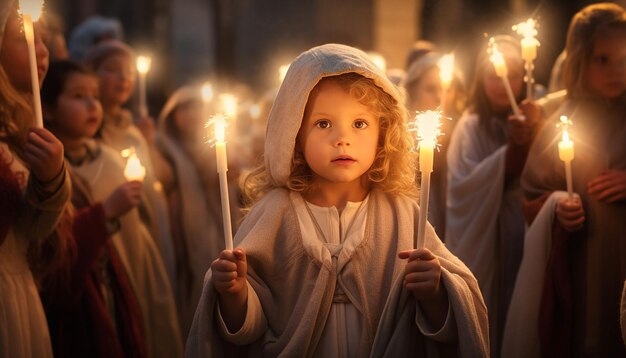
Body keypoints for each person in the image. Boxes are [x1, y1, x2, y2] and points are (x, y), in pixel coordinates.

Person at [186, 43, 488, 357]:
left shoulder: (401, 215)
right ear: (294, 134)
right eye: (323, 124)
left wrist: (436, 292)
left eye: (360, 124)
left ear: (382, 133)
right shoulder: (274, 215)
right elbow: (249, 329)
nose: (342, 139)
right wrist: (235, 294)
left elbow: (452, 316)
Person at [509, 3, 626, 357]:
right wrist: (557, 207)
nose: (616, 70)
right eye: (602, 60)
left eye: (623, 58)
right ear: (578, 60)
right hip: (583, 260)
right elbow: (532, 191)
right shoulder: (563, 120)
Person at [40, 60, 150, 357]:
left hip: (112, 289)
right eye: (78, 96)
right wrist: (106, 212)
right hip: (77, 308)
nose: (92, 105)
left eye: (95, 97)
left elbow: (132, 245)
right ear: (48, 109)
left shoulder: (111, 161)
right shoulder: (44, 170)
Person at [444, 35, 541, 356]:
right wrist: (511, 151)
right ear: (480, 79)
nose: (503, 83)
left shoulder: (539, 116)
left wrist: (533, 135)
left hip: (522, 229)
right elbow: (462, 186)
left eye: (513, 76)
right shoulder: (470, 126)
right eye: (494, 76)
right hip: (483, 232)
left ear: (524, 78)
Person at [0, 3, 71, 356]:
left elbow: (32, 229)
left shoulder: (19, 128)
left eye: (44, 40)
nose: (40, 51)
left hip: (19, 292)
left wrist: (51, 178)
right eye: (23, 37)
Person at [82, 39, 177, 292]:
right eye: (113, 69)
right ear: (91, 73)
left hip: (143, 235)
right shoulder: (82, 131)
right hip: (111, 236)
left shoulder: (133, 130)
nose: (124, 77)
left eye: (130, 71)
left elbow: (162, 181)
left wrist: (148, 143)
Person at [156, 85, 242, 336]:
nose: (191, 115)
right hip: (181, 230)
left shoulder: (214, 147)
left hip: (213, 227)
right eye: (185, 109)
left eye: (197, 109)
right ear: (172, 115)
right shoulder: (162, 146)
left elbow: (226, 186)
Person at [402, 51, 467, 239]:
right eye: (430, 89)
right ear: (413, 91)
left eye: (445, 88)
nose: (439, 96)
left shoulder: (463, 128)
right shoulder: (401, 130)